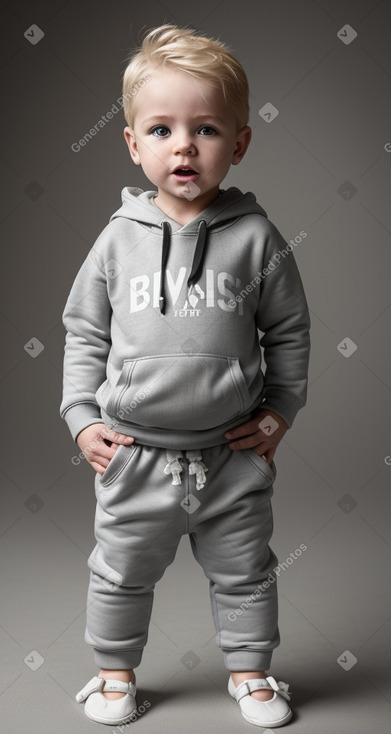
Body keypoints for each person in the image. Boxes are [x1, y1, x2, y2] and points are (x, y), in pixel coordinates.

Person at [60, 23, 310, 728]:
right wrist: (82, 417)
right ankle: (114, 675)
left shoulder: (256, 237)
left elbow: (288, 331)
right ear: (133, 143)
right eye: (162, 129)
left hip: (230, 453)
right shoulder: (115, 239)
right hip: (134, 455)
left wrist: (279, 411)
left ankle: (252, 674)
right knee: (119, 573)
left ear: (238, 143)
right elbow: (84, 332)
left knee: (247, 571)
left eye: (204, 129)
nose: (184, 146)